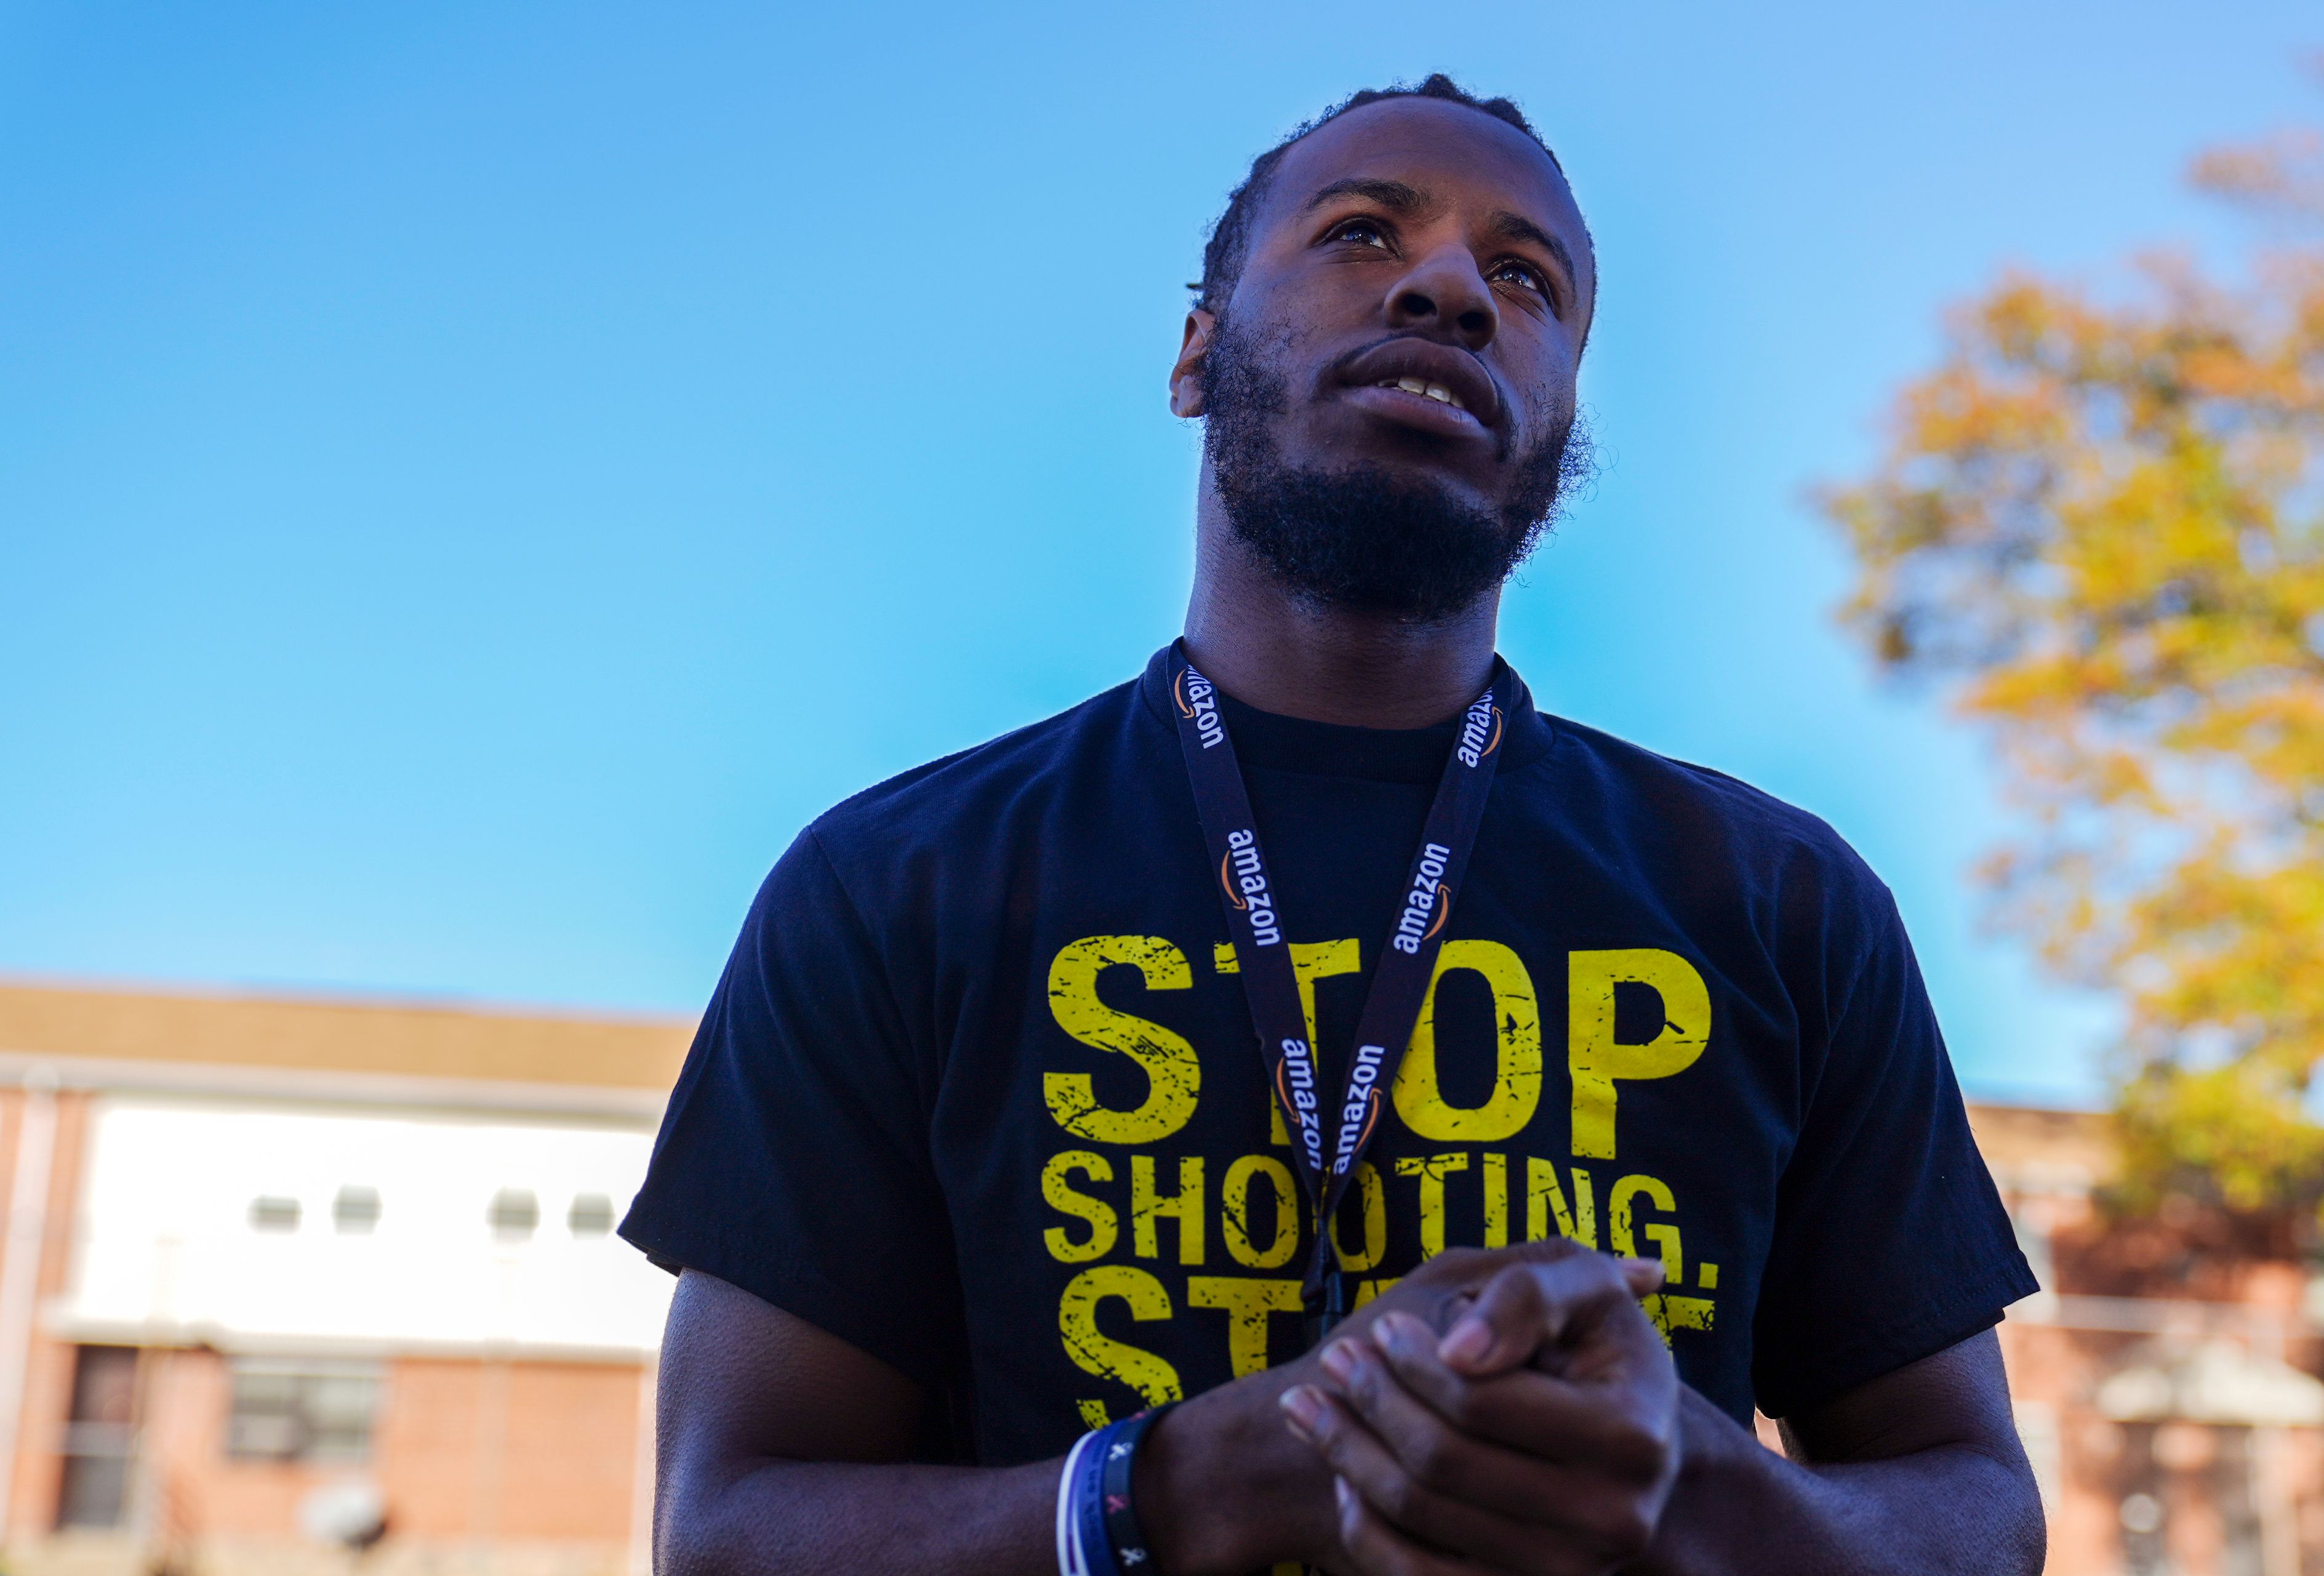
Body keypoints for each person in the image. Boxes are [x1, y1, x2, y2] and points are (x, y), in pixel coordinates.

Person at [620, 74, 2046, 1576]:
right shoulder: (894, 884)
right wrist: (1161, 1491)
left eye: (1526, 278)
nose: (1449, 286)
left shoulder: (1782, 899)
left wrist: (1706, 1496)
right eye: (1364, 234)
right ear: (1195, 352)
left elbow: (1977, 1507)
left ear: (1560, 420)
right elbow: (724, 1530)